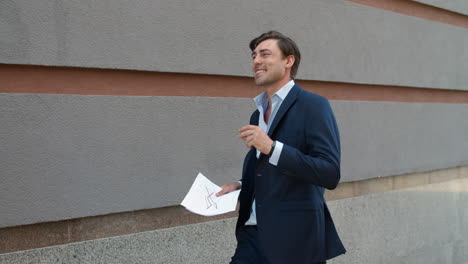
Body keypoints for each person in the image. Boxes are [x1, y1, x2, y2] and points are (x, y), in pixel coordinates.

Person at [216, 31, 346, 264]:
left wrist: (272, 147)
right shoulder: (258, 113)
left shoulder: (313, 106)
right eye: (254, 55)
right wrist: (241, 186)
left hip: (294, 240)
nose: (256, 61)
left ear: (288, 61)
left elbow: (329, 172)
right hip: (252, 236)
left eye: (265, 54)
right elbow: (269, 170)